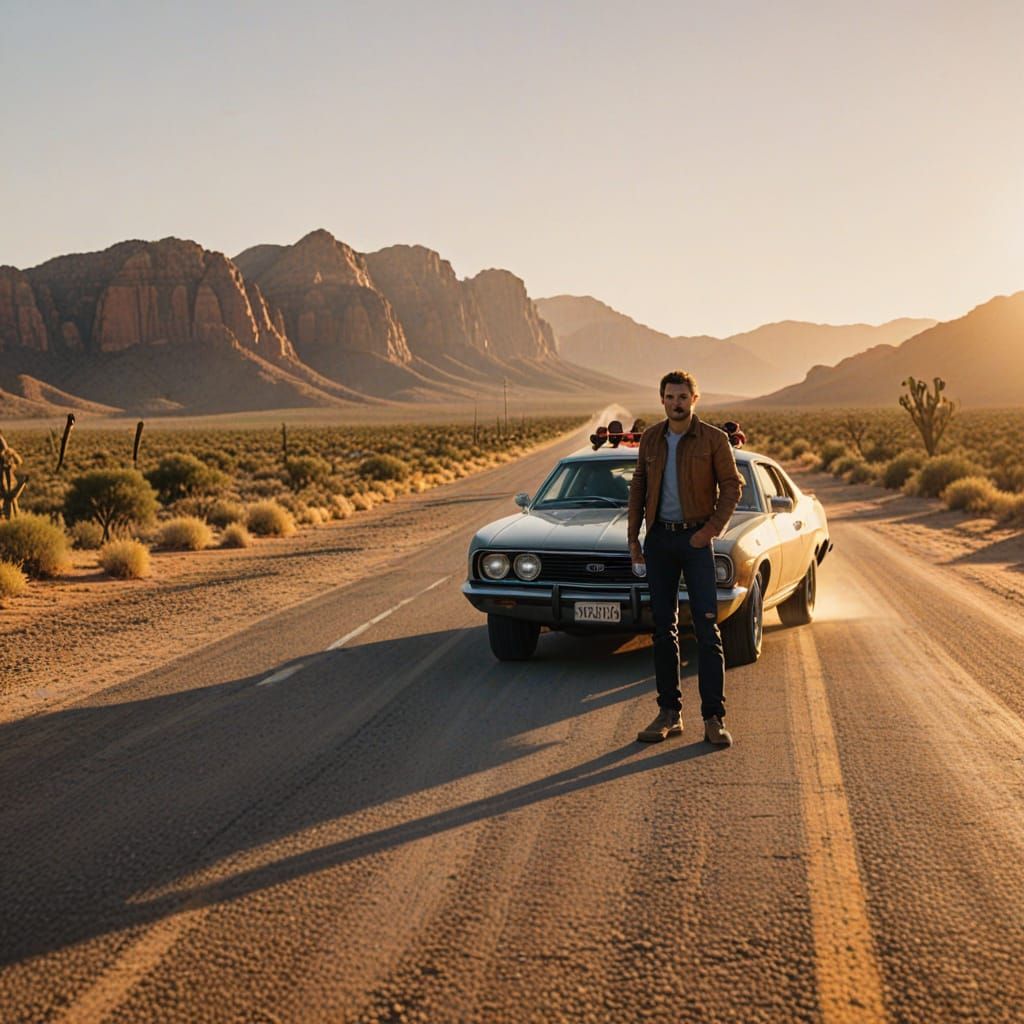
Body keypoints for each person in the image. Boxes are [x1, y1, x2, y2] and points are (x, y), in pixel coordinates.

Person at [627, 370, 744, 746]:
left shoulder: (713, 439)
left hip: (696, 542)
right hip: (660, 540)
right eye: (670, 396)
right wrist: (635, 539)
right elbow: (639, 487)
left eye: (682, 397)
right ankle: (669, 713)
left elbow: (732, 486)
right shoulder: (651, 438)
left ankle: (713, 718)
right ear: (661, 399)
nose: (676, 403)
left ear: (695, 399)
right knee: (663, 630)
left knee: (708, 632)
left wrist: (710, 531)